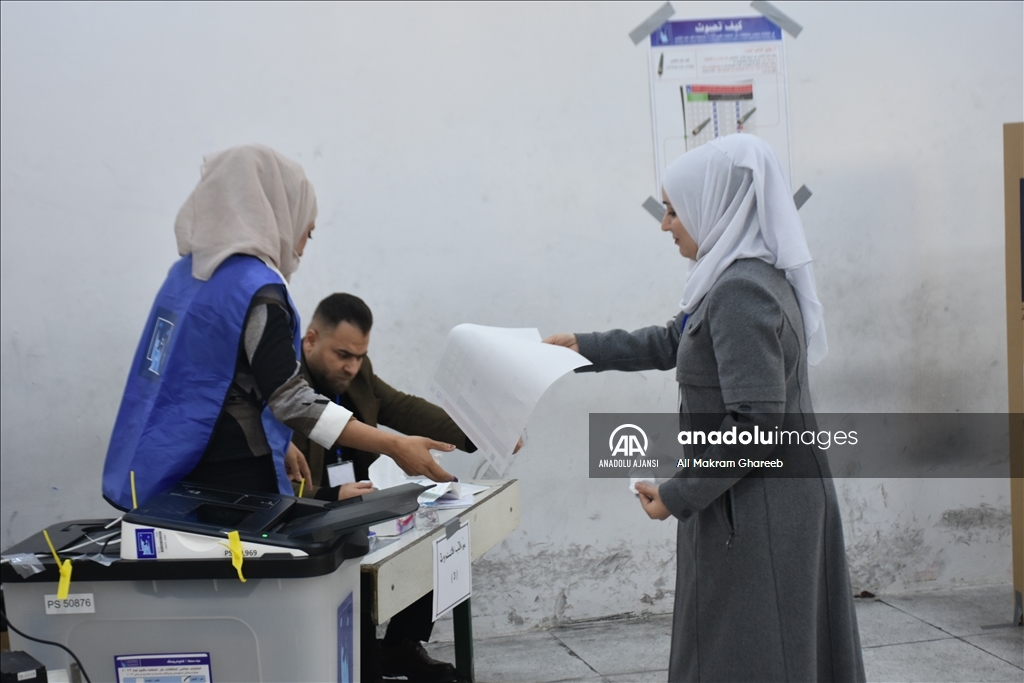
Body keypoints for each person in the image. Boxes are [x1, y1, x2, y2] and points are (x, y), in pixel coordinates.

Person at [546, 134, 865, 682]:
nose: (666, 224)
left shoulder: (743, 291)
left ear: (712, 206)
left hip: (759, 510)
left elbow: (756, 423)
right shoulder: (736, 280)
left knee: (752, 655)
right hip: (754, 501)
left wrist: (676, 494)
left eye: (673, 210)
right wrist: (584, 347)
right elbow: (675, 340)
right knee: (759, 649)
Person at [102, 144, 453, 511]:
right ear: (277, 215)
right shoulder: (256, 289)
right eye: (307, 231)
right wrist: (394, 445)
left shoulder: (187, 276)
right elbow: (291, 400)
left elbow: (198, 373)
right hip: (227, 474)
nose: (301, 246)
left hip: (166, 457)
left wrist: (280, 440)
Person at [291, 292, 472, 683]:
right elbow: (274, 486)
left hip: (358, 497)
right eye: (342, 355)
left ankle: (399, 647)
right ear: (310, 340)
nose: (352, 366)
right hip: (312, 508)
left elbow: (400, 406)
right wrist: (329, 497)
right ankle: (368, 658)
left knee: (428, 528)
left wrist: (476, 435)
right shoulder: (285, 385)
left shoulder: (358, 371)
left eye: (359, 356)